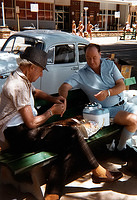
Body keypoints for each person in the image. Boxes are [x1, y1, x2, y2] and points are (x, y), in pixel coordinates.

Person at [0, 46, 123, 200]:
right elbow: (31, 123)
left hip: (23, 131)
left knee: (68, 142)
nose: (41, 74)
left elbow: (35, 92)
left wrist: (53, 99)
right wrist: (52, 111)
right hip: (18, 135)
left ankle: (53, 193)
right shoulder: (17, 85)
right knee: (71, 135)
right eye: (40, 70)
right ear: (31, 67)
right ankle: (96, 170)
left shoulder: (22, 78)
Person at [59, 43, 137, 161]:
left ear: (100, 54)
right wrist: (63, 100)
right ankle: (120, 149)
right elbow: (64, 87)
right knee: (134, 121)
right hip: (106, 111)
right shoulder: (81, 74)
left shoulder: (110, 65)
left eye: (94, 57)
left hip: (124, 104)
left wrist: (108, 92)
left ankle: (134, 145)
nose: (91, 61)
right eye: (88, 58)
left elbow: (121, 85)